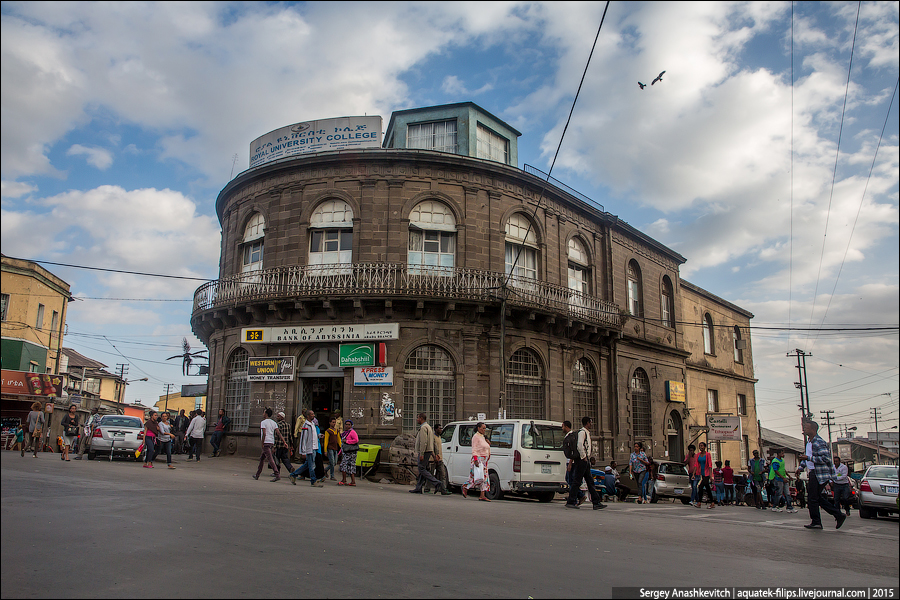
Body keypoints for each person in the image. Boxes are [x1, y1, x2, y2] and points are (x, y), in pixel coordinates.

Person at [799, 419, 846, 530]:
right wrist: (801, 467)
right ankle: (838, 514)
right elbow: (807, 457)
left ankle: (817, 521)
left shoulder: (818, 442)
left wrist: (808, 458)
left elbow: (825, 458)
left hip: (819, 473)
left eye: (806, 427)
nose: (804, 429)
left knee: (812, 498)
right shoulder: (809, 442)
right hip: (813, 472)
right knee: (816, 497)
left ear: (813, 429)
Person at [565, 417, 605, 510]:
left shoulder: (586, 432)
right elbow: (579, 445)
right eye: (590, 422)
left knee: (589, 481)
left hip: (584, 460)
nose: (591, 424)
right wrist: (583, 457)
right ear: (587, 423)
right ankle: (571, 501)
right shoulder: (582, 432)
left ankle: (596, 502)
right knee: (577, 481)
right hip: (582, 460)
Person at [411, 413, 448, 495]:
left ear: (421, 418)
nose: (417, 420)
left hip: (424, 451)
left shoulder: (424, 428)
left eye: (418, 418)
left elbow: (423, 442)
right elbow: (433, 442)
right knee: (422, 469)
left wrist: (422, 453)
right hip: (428, 451)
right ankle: (418, 487)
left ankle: (436, 483)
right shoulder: (429, 427)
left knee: (422, 469)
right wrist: (435, 453)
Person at [289, 410, 323, 487]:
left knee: (308, 464)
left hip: (314, 447)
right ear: (307, 416)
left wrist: (319, 436)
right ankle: (313, 480)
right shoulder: (306, 425)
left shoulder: (313, 424)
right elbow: (303, 439)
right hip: (309, 448)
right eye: (311, 414)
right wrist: (303, 451)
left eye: (313, 414)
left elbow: (313, 436)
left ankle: (293, 474)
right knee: (311, 466)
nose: (313, 415)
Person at [253, 408, 283, 482]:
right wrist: (284, 441)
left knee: (270, 459)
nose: (263, 414)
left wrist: (262, 443)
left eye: (264, 413)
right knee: (262, 459)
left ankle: (277, 474)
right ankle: (257, 474)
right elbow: (278, 433)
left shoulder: (263, 422)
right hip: (271, 441)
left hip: (266, 442)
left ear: (266, 414)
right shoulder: (273, 422)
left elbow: (264, 433)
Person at [562, 421, 586, 505]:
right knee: (569, 479)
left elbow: (573, 450)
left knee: (571, 480)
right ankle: (577, 496)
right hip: (569, 461)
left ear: (566, 426)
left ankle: (577, 496)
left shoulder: (572, 437)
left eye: (563, 426)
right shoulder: (569, 436)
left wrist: (570, 463)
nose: (562, 428)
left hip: (571, 462)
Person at [274, 411, 295, 475]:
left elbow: (276, 436)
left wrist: (274, 446)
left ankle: (277, 472)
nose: (277, 417)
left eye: (278, 416)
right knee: (285, 458)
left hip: (279, 445)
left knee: (277, 458)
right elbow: (290, 436)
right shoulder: (288, 425)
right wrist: (291, 444)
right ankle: (290, 468)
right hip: (285, 445)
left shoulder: (278, 425)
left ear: (281, 417)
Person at [338, 419, 359, 487]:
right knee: (347, 466)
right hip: (345, 452)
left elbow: (356, 440)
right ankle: (352, 481)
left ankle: (345, 480)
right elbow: (342, 444)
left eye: (349, 425)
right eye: (346, 424)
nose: (347, 426)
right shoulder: (345, 433)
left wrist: (347, 441)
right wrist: (340, 452)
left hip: (351, 453)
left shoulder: (352, 432)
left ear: (351, 425)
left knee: (346, 465)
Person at [695, 441, 715, 509]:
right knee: (707, 488)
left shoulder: (707, 454)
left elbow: (710, 465)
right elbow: (696, 464)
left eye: (702, 446)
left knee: (700, 487)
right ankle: (712, 502)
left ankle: (699, 502)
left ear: (705, 447)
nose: (701, 447)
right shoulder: (698, 455)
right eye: (700, 446)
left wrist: (710, 475)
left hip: (707, 474)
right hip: (702, 473)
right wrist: (694, 473)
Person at [323, 417, 341, 481]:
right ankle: (332, 475)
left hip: (335, 448)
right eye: (333, 422)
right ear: (330, 423)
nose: (334, 424)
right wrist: (325, 450)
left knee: (335, 462)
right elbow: (326, 441)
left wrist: (341, 447)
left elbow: (339, 440)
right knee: (332, 462)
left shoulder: (336, 431)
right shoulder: (328, 431)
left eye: (334, 422)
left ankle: (326, 469)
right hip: (330, 448)